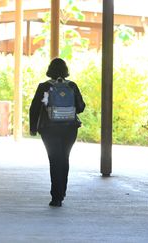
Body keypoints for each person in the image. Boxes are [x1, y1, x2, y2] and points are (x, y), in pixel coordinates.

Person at [29, 58, 85, 207]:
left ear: (50, 70)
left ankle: (56, 197)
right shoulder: (72, 86)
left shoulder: (44, 87)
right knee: (65, 158)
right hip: (69, 128)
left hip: (49, 128)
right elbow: (80, 107)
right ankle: (62, 192)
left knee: (54, 160)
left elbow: (34, 108)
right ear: (66, 71)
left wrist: (33, 128)